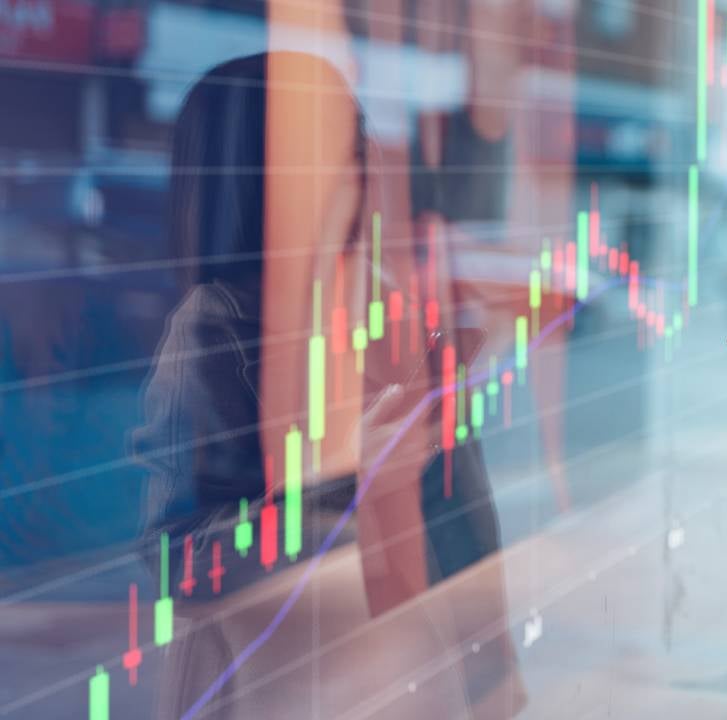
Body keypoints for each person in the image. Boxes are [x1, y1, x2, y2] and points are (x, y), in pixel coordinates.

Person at [133, 51, 524, 718]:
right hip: (277, 687)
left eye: (361, 133)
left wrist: (493, 678)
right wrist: (348, 484)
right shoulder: (213, 330)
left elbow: (463, 518)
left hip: (404, 674)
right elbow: (182, 561)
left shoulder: (393, 316)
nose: (370, 158)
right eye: (344, 140)